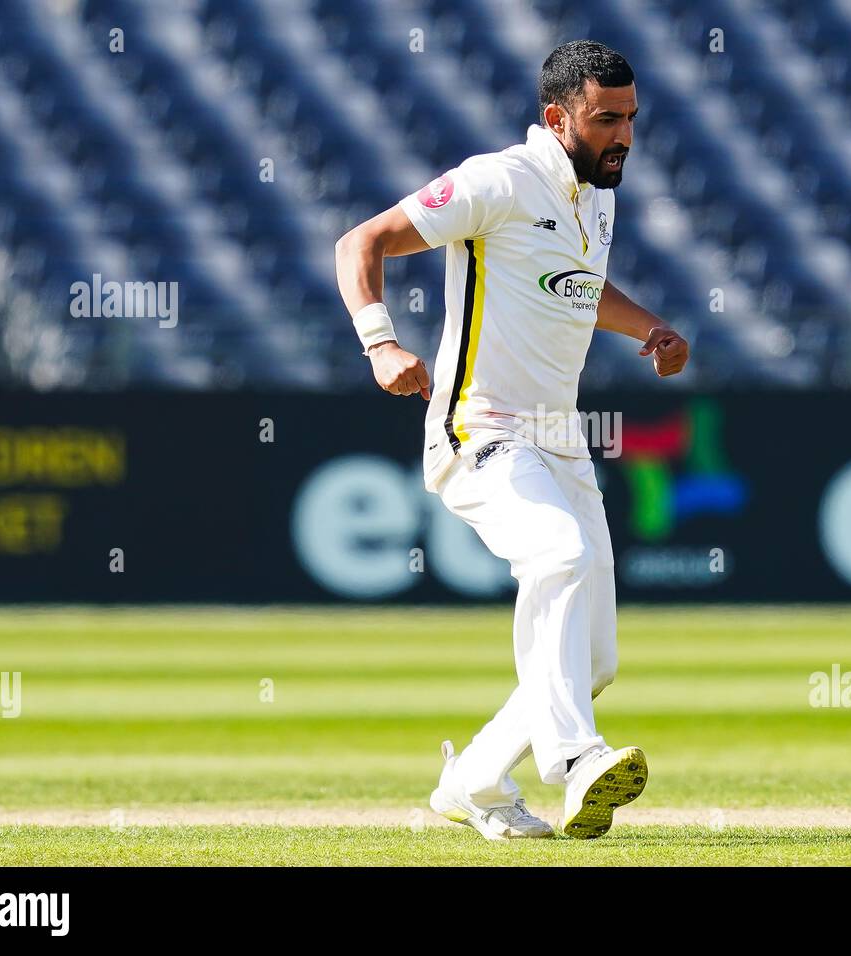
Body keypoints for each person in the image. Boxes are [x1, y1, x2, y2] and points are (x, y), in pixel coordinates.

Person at [334, 40, 689, 839]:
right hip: (480, 428)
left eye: (631, 118)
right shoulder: (498, 179)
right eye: (607, 119)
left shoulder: (596, 190)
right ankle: (576, 760)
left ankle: (474, 783)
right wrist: (380, 342)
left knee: (591, 662)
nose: (624, 135)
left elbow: (577, 288)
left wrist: (653, 328)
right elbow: (359, 242)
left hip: (560, 438)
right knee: (558, 556)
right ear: (556, 117)